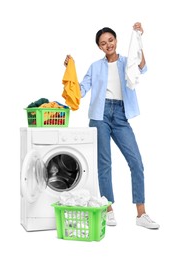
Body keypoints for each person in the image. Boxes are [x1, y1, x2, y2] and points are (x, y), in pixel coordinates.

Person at [64, 22, 160, 229]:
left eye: (110, 40)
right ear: (99, 47)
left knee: (136, 162)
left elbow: (142, 67)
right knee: (104, 164)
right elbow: (80, 91)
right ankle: (107, 209)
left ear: (116, 41)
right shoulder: (95, 67)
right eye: (103, 43)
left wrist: (139, 40)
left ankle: (141, 214)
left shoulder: (127, 62)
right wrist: (69, 71)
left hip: (120, 115)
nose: (108, 45)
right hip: (99, 117)